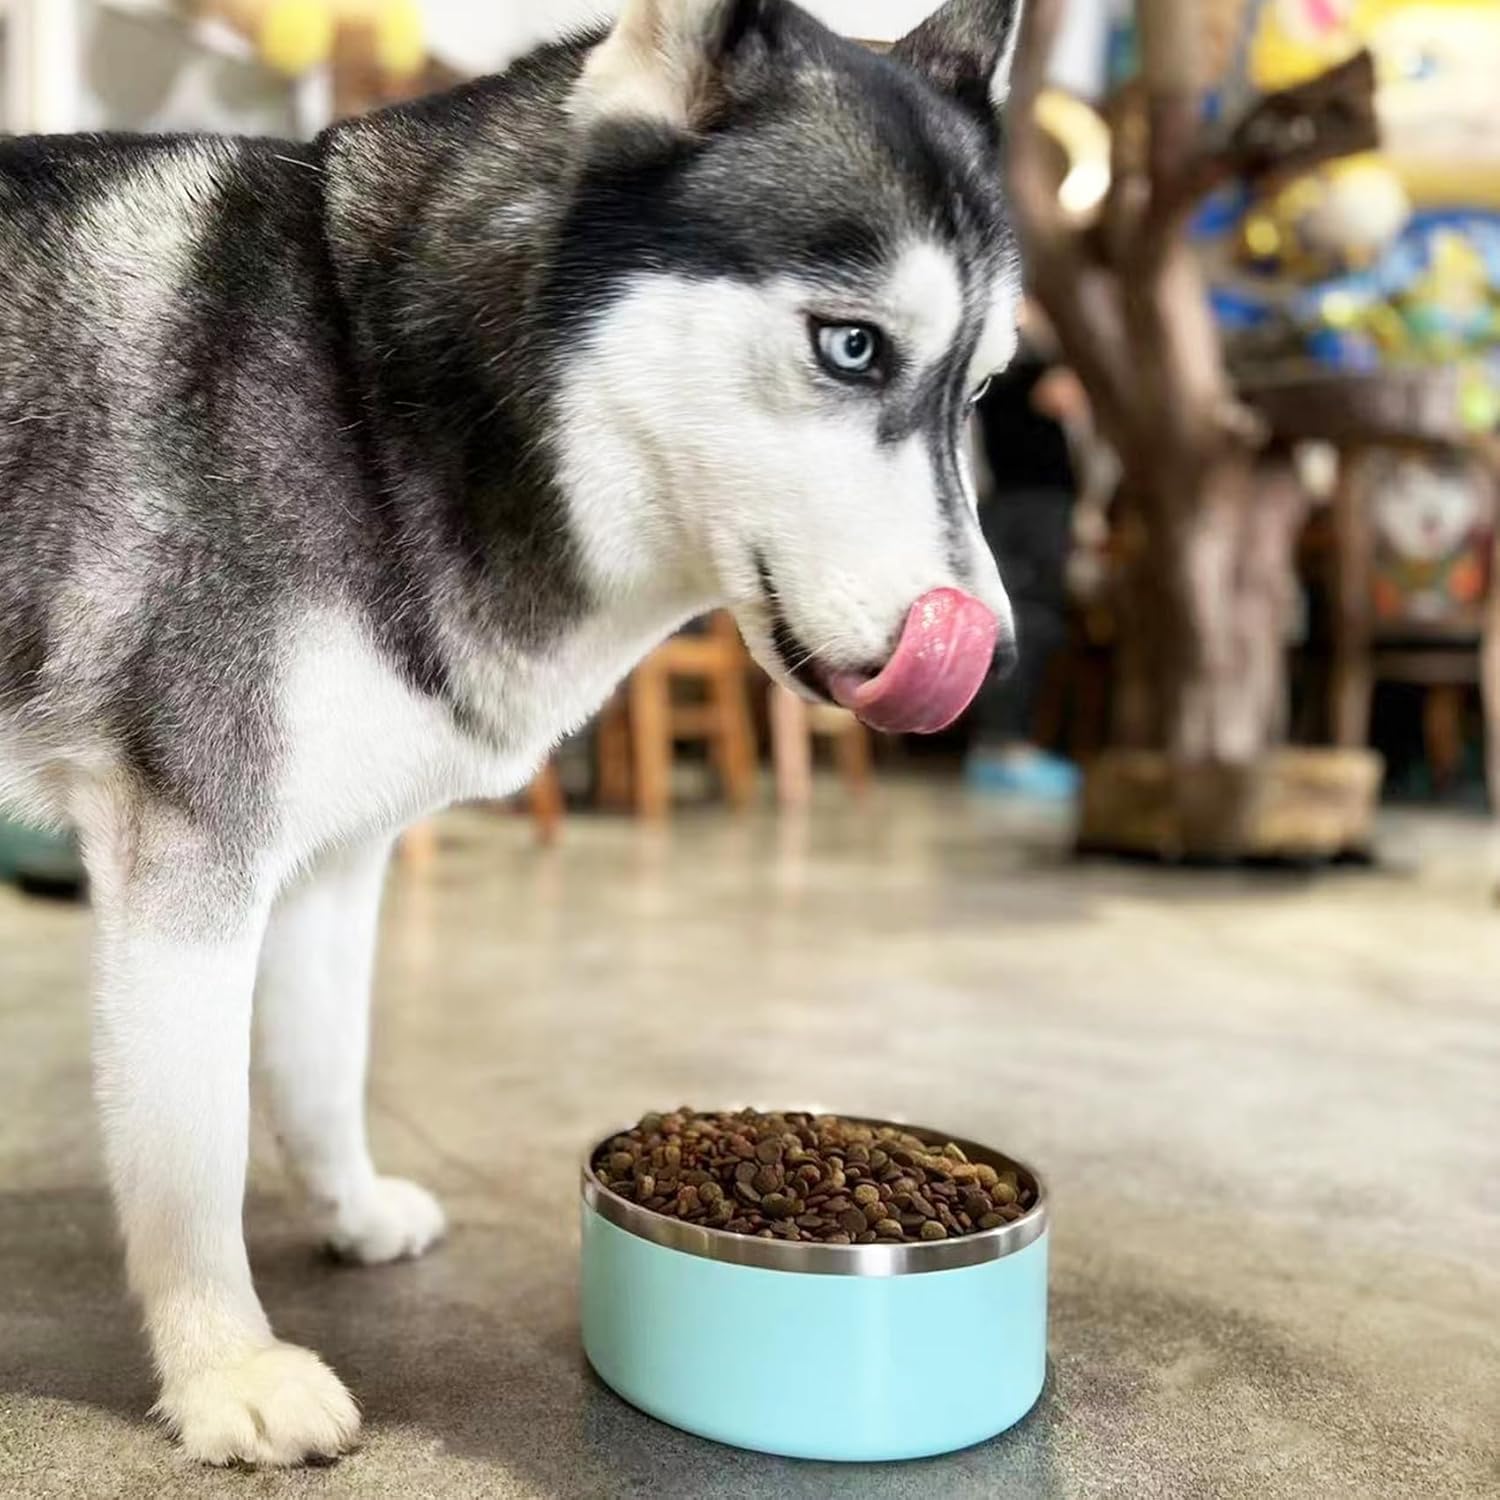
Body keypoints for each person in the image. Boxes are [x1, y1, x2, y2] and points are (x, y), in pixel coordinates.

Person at [964, 306, 1093, 800]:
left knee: (1031, 619)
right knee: (1024, 621)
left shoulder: (1026, 342)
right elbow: (1062, 397)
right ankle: (1003, 748)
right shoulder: (1011, 344)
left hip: (1035, 503)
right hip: (1025, 504)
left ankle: (1006, 746)